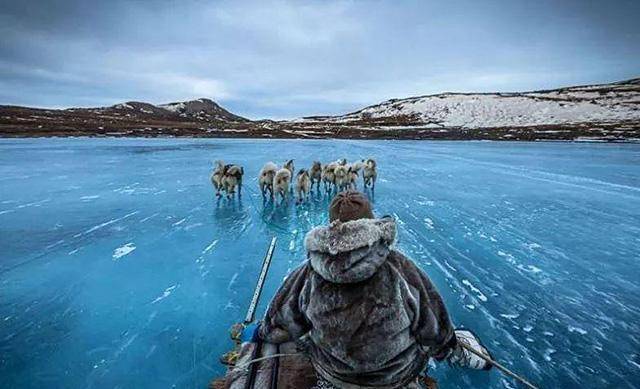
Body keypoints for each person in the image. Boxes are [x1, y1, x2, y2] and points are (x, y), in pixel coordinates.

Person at [260, 191, 492, 388]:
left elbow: (278, 324)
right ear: (371, 221)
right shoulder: (399, 267)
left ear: (331, 225)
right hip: (394, 377)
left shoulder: (308, 273)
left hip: (335, 375)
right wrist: (447, 347)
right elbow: (433, 326)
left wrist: (267, 334)